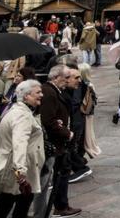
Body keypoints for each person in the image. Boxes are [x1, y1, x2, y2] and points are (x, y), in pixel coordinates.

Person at [0, 78, 45, 218]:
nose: (41, 95)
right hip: (17, 166)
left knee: (7, 201)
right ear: (26, 96)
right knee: (15, 202)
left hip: (12, 164)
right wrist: (21, 173)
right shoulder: (22, 116)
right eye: (38, 92)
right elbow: (20, 143)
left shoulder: (16, 109)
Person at [40, 65, 81, 216]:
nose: (67, 81)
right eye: (66, 78)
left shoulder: (56, 91)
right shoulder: (49, 92)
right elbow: (48, 120)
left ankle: (62, 205)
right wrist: (67, 133)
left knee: (63, 172)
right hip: (55, 142)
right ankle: (59, 207)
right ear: (56, 77)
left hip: (60, 141)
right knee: (58, 175)